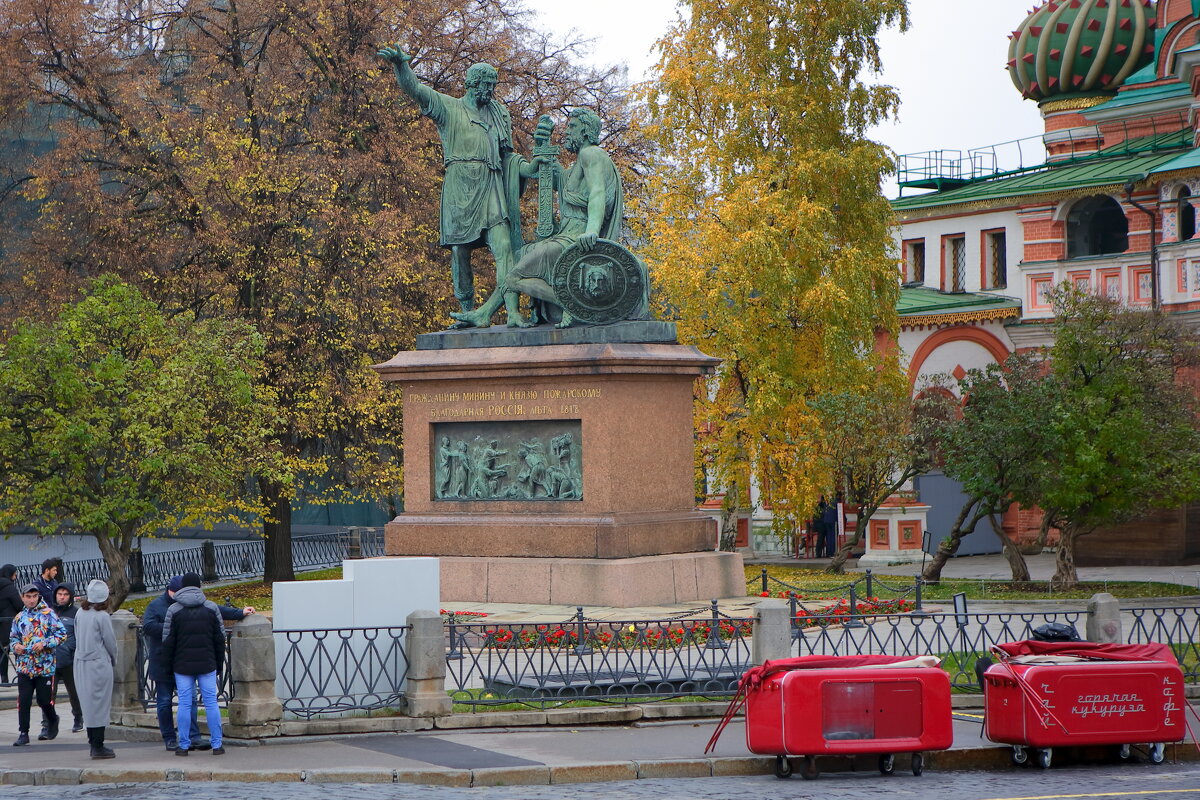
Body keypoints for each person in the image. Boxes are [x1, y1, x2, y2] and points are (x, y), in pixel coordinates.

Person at [378, 44, 542, 326]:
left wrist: (528, 169)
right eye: (486, 85)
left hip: (490, 184)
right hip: (460, 185)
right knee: (460, 250)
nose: (489, 91)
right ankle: (467, 309)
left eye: (493, 86)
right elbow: (415, 89)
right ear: (472, 84)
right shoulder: (448, 108)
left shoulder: (497, 113)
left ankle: (513, 312)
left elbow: (508, 158)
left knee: (504, 248)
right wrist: (401, 66)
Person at [451, 108, 625, 330]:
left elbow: (597, 194)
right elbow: (560, 182)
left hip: (574, 240)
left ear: (586, 130)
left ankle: (569, 303)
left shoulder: (591, 154)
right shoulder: (579, 164)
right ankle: (484, 313)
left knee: (513, 277)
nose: (567, 132)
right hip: (566, 236)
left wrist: (591, 230)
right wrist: (542, 153)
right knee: (518, 259)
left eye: (572, 127)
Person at [143, 575, 252, 751]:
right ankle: (180, 739)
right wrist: (217, 662)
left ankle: (188, 741)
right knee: (171, 702)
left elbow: (219, 612)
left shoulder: (177, 609)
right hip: (174, 663)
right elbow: (218, 632)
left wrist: (239, 612)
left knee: (188, 702)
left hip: (179, 663)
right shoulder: (159, 606)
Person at [162, 573, 227, 756]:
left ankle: (183, 745)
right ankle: (217, 745)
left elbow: (168, 642)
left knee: (184, 703)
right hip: (207, 663)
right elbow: (219, 639)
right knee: (211, 703)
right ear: (199, 586)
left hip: (182, 665)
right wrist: (219, 664)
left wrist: (168, 667)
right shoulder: (211, 608)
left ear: (182, 587)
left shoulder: (173, 610)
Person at [9, 583, 66, 746]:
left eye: (34, 596)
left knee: (43, 700)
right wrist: (16, 646)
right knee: (24, 700)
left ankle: (52, 719)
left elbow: (61, 635)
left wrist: (45, 643)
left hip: (45, 666)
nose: (32, 600)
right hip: (25, 666)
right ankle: (23, 732)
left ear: (38, 597)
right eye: (28, 597)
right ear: (23, 598)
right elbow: (13, 638)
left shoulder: (49, 614)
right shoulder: (19, 617)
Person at [73, 580, 116, 759]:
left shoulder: (80, 613)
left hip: (80, 662)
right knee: (99, 705)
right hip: (98, 663)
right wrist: (113, 659)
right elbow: (110, 642)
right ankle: (98, 745)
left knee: (88, 705)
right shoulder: (102, 617)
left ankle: (94, 743)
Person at [48, 584, 83, 735]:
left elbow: (78, 635)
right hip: (51, 660)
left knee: (74, 692)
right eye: (59, 594)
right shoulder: (48, 612)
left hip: (69, 660)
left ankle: (78, 718)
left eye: (65, 594)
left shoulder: (76, 613)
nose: (62, 597)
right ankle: (47, 723)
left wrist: (69, 649)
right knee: (48, 695)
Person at [0, 565, 22, 686]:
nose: (15, 577)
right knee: (17, 649)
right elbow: (19, 604)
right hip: (9, 626)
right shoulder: (9, 587)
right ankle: (21, 675)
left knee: (2, 652)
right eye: (14, 574)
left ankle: (4, 678)